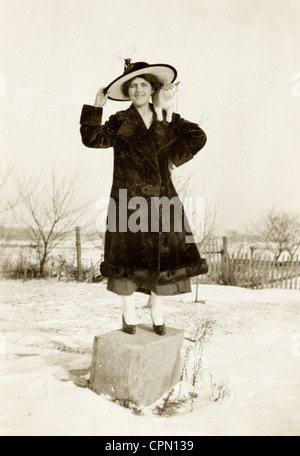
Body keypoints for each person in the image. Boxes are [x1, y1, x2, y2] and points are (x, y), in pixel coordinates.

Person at [80, 60, 208, 336]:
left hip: (163, 201)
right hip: (128, 201)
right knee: (126, 261)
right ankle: (128, 312)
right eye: (133, 86)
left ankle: (156, 309)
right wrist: (96, 107)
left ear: (153, 89)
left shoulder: (167, 117)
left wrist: (175, 159)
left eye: (144, 85)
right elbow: (91, 139)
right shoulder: (118, 121)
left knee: (164, 260)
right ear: (128, 91)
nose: (138, 90)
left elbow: (199, 136)